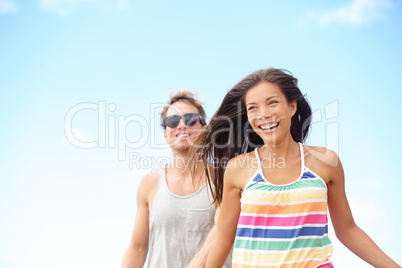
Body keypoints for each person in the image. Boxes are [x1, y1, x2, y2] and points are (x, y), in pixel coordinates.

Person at [190, 68, 400, 267]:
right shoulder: (238, 168)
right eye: (253, 107)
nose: (263, 114)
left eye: (272, 102)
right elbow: (224, 240)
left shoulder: (326, 161)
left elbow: (347, 229)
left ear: (292, 107)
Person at [121, 90, 232, 268]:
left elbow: (222, 230)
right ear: (165, 133)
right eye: (172, 121)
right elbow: (138, 248)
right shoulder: (149, 184)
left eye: (190, 119)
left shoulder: (224, 177)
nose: (181, 125)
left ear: (204, 128)